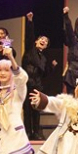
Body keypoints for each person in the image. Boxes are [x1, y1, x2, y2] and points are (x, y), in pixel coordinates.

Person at [23, 11, 56, 140]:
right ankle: (27, 132)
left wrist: (52, 67)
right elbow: (29, 36)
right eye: (42, 39)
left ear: (46, 46)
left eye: (46, 41)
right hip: (27, 84)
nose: (43, 41)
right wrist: (30, 22)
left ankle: (36, 132)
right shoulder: (30, 50)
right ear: (36, 41)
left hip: (37, 86)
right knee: (27, 109)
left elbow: (45, 74)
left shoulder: (44, 58)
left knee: (36, 109)